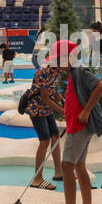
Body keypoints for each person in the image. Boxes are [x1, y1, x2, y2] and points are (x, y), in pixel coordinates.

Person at [48, 40, 102, 204]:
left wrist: (86, 111)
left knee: (67, 166)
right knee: (79, 165)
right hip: (77, 124)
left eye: (57, 61)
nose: (56, 65)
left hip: (79, 126)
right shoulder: (73, 73)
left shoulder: (79, 70)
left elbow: (100, 86)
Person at [23, 54, 65, 188]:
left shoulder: (57, 73)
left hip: (46, 110)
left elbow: (54, 90)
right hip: (37, 109)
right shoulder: (43, 73)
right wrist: (62, 111)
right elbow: (45, 97)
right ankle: (37, 179)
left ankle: (59, 172)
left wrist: (61, 99)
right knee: (44, 140)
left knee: (55, 136)